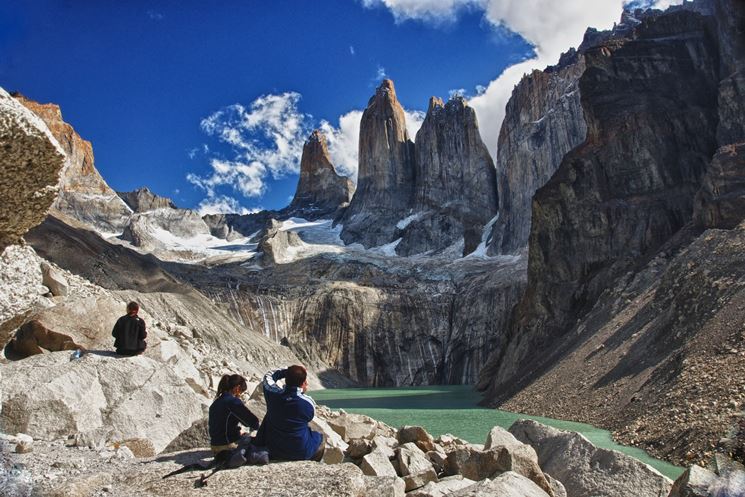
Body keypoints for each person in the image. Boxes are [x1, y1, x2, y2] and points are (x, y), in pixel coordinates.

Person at [255, 365, 323, 461]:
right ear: (303, 383)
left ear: (286, 379)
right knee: (319, 437)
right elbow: (309, 417)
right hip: (300, 451)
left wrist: (287, 371)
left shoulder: (272, 394)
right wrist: (301, 392)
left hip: (274, 449)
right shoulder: (308, 403)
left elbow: (268, 376)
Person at [208, 374, 260, 454]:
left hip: (214, 445)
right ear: (237, 388)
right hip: (227, 445)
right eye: (241, 391)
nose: (240, 395)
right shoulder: (233, 402)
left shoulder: (216, 402)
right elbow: (252, 422)